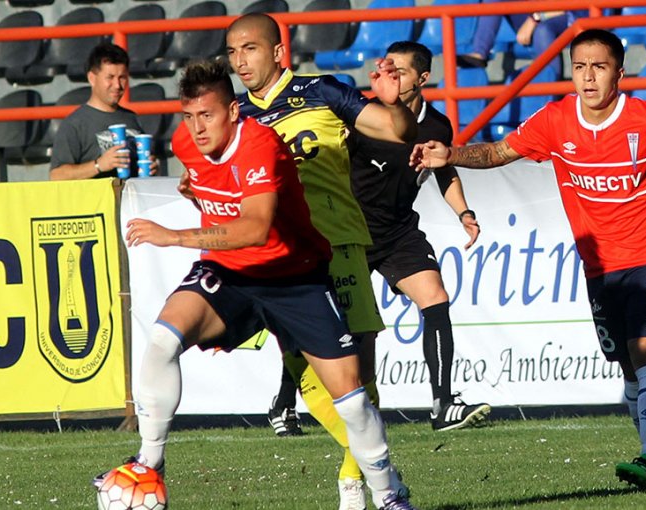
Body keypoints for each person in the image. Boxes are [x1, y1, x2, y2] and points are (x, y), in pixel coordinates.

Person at [412, 29, 646, 491]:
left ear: (618, 73)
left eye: (599, 67)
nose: (587, 76)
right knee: (627, 363)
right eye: (580, 66)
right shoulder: (556, 120)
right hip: (599, 263)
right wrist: (452, 154)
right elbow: (497, 152)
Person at [93, 59, 414, 510]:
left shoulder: (261, 143)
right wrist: (197, 190)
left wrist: (175, 237)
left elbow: (256, 228)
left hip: (295, 277)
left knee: (351, 396)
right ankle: (149, 462)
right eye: (189, 116)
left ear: (233, 112)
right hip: (232, 274)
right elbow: (207, 184)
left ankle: (388, 494)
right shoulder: (187, 142)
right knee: (163, 338)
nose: (197, 128)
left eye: (207, 115)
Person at [223, 13, 417, 510]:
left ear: (278, 52)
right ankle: (375, 472)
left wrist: (393, 104)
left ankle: (357, 478)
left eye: (249, 48)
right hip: (279, 259)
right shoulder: (235, 117)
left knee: (360, 372)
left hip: (339, 246)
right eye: (232, 52)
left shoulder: (323, 92)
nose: (239, 60)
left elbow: (396, 131)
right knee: (304, 371)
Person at [348, 40, 492, 433]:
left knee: (436, 299)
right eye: (386, 68)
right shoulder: (361, 115)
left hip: (397, 232)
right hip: (349, 233)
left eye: (400, 72)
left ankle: (443, 404)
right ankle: (285, 402)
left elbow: (444, 170)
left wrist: (463, 211)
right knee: (348, 328)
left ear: (423, 78)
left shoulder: (436, 125)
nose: (389, 77)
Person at [50, 42, 156, 180]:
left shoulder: (132, 118)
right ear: (92, 78)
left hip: (131, 200)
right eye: (110, 77)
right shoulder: (75, 124)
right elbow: (57, 176)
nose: (117, 85)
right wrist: (99, 165)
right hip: (97, 201)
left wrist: (153, 168)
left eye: (122, 77)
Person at [457, 7, 588, 76]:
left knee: (542, 31)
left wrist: (535, 18)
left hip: (578, 16)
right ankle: (480, 52)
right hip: (543, 12)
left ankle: (551, 91)